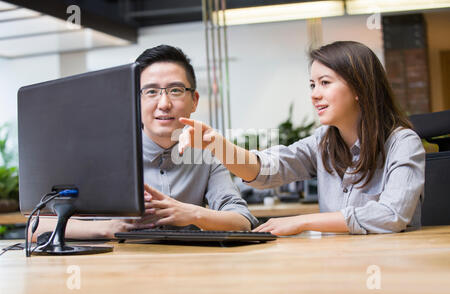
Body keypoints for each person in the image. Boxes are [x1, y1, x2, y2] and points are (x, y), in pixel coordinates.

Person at [178, 41, 425, 236]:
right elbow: (266, 171)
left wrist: (303, 221)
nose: (314, 95)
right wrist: (217, 144)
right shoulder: (323, 142)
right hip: (341, 263)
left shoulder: (402, 143)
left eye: (325, 83)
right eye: (312, 85)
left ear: (360, 88)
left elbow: (392, 215)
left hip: (392, 266)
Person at [32, 45, 257, 241]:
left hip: (188, 275)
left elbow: (242, 221)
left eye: (175, 90)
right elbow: (38, 226)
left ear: (194, 100)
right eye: (151, 91)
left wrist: (190, 214)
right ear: (134, 100)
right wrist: (109, 228)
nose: (164, 103)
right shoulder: (101, 155)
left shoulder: (207, 154)